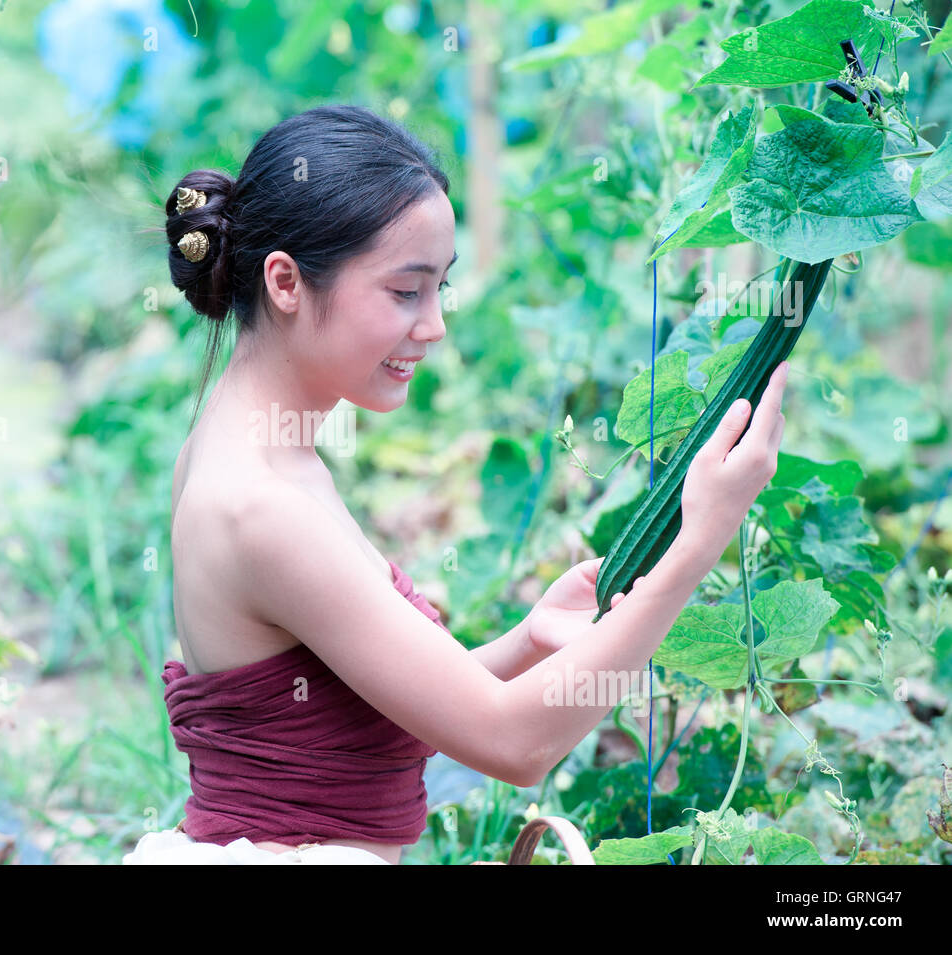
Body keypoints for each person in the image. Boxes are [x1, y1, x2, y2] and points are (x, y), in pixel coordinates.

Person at [123, 104, 788, 865]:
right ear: (285, 281)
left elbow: (366, 711)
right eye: (406, 291)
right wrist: (695, 548)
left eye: (440, 288)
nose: (435, 324)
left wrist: (528, 639)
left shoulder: (256, 453)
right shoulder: (261, 505)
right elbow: (513, 742)